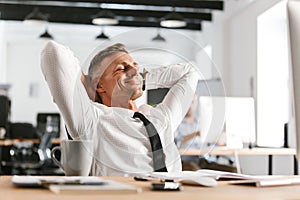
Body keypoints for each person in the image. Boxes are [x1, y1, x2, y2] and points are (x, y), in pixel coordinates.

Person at [41, 41, 199, 176]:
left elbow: (190, 72)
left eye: (135, 66)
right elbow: (53, 52)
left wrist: (140, 79)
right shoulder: (93, 119)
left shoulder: (161, 117)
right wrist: (88, 86)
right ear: (99, 85)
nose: (133, 70)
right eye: (121, 69)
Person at [175, 96, 237, 172]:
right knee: (196, 171)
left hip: (203, 159)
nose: (190, 105)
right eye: (187, 102)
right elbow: (177, 142)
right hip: (187, 160)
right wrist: (196, 134)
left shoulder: (201, 122)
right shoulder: (177, 123)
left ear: (196, 103)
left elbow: (207, 142)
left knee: (233, 170)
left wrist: (218, 142)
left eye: (192, 102)